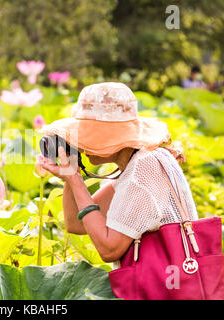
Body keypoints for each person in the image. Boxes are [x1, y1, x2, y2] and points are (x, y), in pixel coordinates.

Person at [37, 82, 198, 263]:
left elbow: (109, 250)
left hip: (169, 287)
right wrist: (71, 173)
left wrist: (75, 181)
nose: (83, 143)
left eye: (91, 134)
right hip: (159, 285)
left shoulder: (146, 167)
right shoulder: (135, 164)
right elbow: (76, 223)